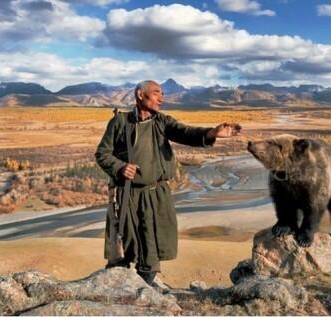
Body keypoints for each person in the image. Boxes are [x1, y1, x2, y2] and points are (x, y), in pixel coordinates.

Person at [95, 80, 241, 287]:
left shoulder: (162, 122)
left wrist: (211, 133)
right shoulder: (120, 122)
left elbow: (186, 133)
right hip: (128, 194)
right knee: (125, 245)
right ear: (139, 94)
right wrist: (119, 167)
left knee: (152, 244)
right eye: (156, 93)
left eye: (162, 94)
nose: (161, 99)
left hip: (157, 195)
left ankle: (145, 287)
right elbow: (102, 153)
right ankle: (122, 290)